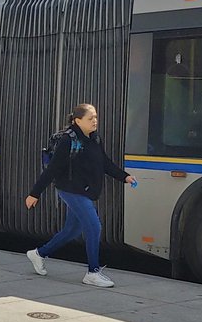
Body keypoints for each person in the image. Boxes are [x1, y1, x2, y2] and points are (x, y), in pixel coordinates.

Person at [25, 103, 136, 288]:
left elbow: (105, 163)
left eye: (95, 117)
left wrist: (125, 177)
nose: (95, 121)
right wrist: (34, 193)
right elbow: (52, 169)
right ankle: (93, 272)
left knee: (72, 230)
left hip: (85, 190)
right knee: (94, 226)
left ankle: (38, 254)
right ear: (77, 121)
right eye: (90, 118)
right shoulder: (68, 140)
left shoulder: (95, 138)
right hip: (71, 190)